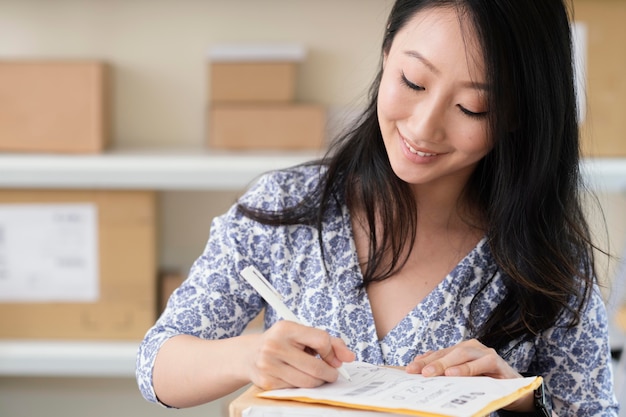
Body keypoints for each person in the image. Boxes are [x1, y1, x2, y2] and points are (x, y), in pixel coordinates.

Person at [136, 0, 619, 415]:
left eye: (472, 108)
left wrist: (519, 400)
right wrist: (247, 357)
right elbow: (156, 363)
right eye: (412, 81)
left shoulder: (546, 263)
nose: (425, 127)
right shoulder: (287, 209)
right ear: (387, 55)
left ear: (517, 117)